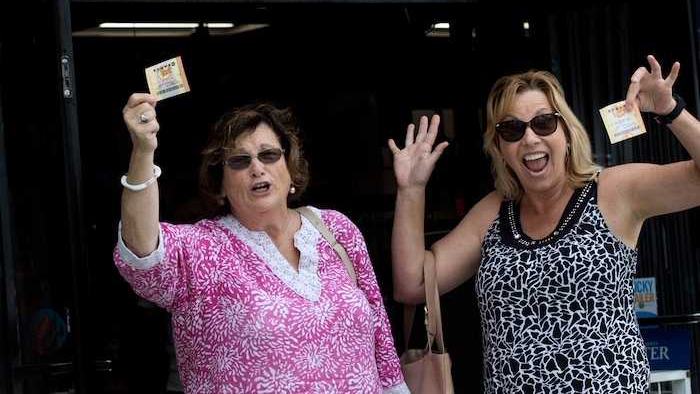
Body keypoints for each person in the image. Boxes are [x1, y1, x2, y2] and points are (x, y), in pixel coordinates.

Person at [389, 54, 700, 393]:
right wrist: (411, 190)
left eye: (544, 123)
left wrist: (670, 110)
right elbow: (412, 286)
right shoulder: (493, 213)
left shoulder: (613, 191)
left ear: (566, 133)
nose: (530, 139)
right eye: (512, 129)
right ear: (500, 148)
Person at [114, 93, 410, 394]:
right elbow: (142, 254)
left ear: (289, 166)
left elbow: (379, 331)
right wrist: (142, 150)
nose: (257, 168)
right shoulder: (202, 249)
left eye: (269, 155)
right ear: (220, 183)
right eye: (240, 161)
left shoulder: (334, 228)